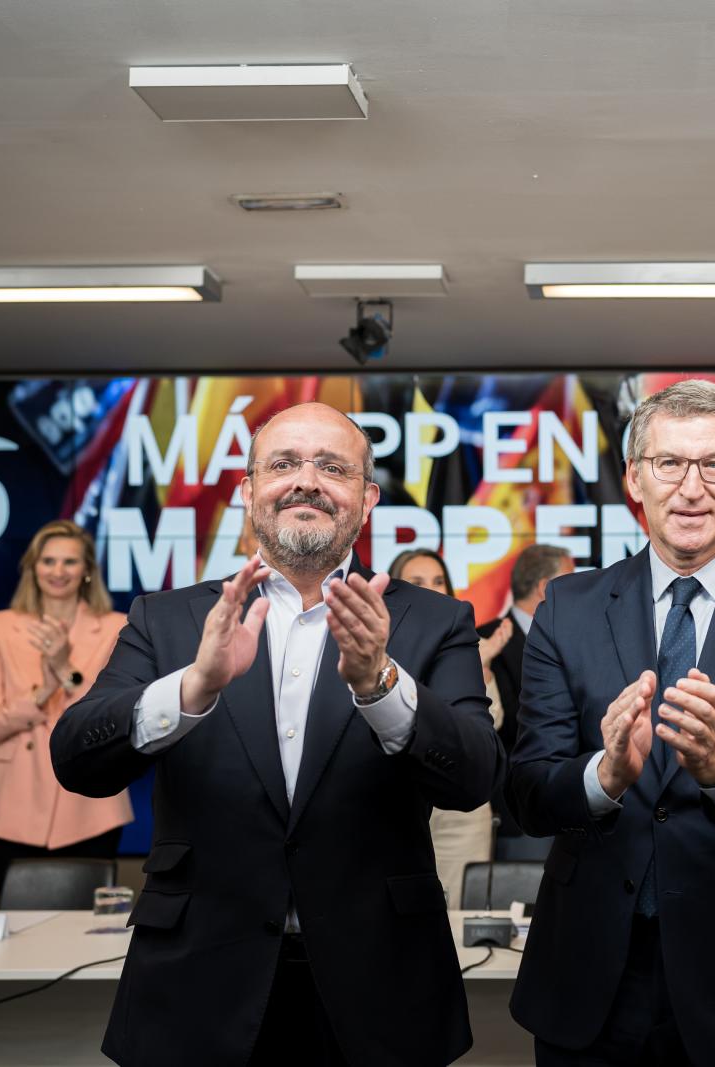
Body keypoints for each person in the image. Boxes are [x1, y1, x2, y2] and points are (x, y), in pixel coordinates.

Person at [52, 402, 503, 1067]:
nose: (307, 480)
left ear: (368, 497)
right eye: (284, 463)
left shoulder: (435, 621)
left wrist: (380, 683)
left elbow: (474, 778)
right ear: (248, 489)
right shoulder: (169, 617)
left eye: (332, 466)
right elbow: (77, 758)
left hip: (380, 988)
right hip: (199, 983)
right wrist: (192, 688)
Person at [506, 379, 715, 1066]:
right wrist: (605, 776)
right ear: (636, 477)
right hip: (590, 973)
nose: (692, 487)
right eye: (670, 463)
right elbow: (526, 796)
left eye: (714, 464)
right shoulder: (565, 609)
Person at [0, 519, 131, 892]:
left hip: (89, 802)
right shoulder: (0, 626)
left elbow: (114, 718)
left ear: (87, 570)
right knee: (18, 925)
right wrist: (44, 691)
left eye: (70, 562)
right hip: (10, 801)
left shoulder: (115, 627)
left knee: (87, 930)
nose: (58, 572)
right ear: (32, 568)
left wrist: (63, 669)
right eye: (48, 561)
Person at [388, 547, 508, 906]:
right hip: (394, 806)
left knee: (458, 917)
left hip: (459, 817)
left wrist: (483, 666)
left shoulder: (464, 641)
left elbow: (492, 724)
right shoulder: (379, 640)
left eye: (439, 580)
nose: (432, 589)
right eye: (418, 581)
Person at [481, 544, 574, 859]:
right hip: (512, 811)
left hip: (575, 809)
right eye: (570, 580)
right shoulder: (480, 639)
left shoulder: (575, 641)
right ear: (547, 588)